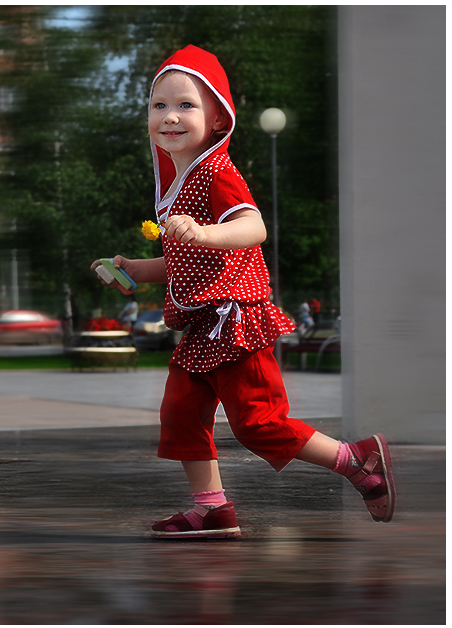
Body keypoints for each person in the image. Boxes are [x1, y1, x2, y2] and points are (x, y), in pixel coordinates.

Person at [93, 45, 395, 538]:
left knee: (258, 423)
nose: (169, 116)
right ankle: (212, 509)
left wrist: (208, 232)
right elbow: (181, 262)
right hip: (201, 329)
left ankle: (356, 460)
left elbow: (253, 229)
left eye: (186, 105)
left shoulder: (218, 173)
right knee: (180, 415)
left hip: (235, 322)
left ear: (218, 119)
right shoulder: (181, 182)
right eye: (159, 105)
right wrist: (129, 268)